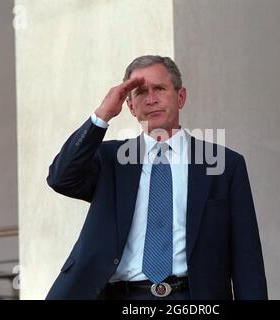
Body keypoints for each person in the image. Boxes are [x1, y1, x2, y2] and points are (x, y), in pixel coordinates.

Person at [45, 55, 268, 300]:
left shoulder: (224, 164)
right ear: (130, 106)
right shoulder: (110, 160)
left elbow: (247, 258)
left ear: (180, 97)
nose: (151, 100)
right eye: (140, 92)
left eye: (160, 89)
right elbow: (61, 177)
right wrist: (102, 115)